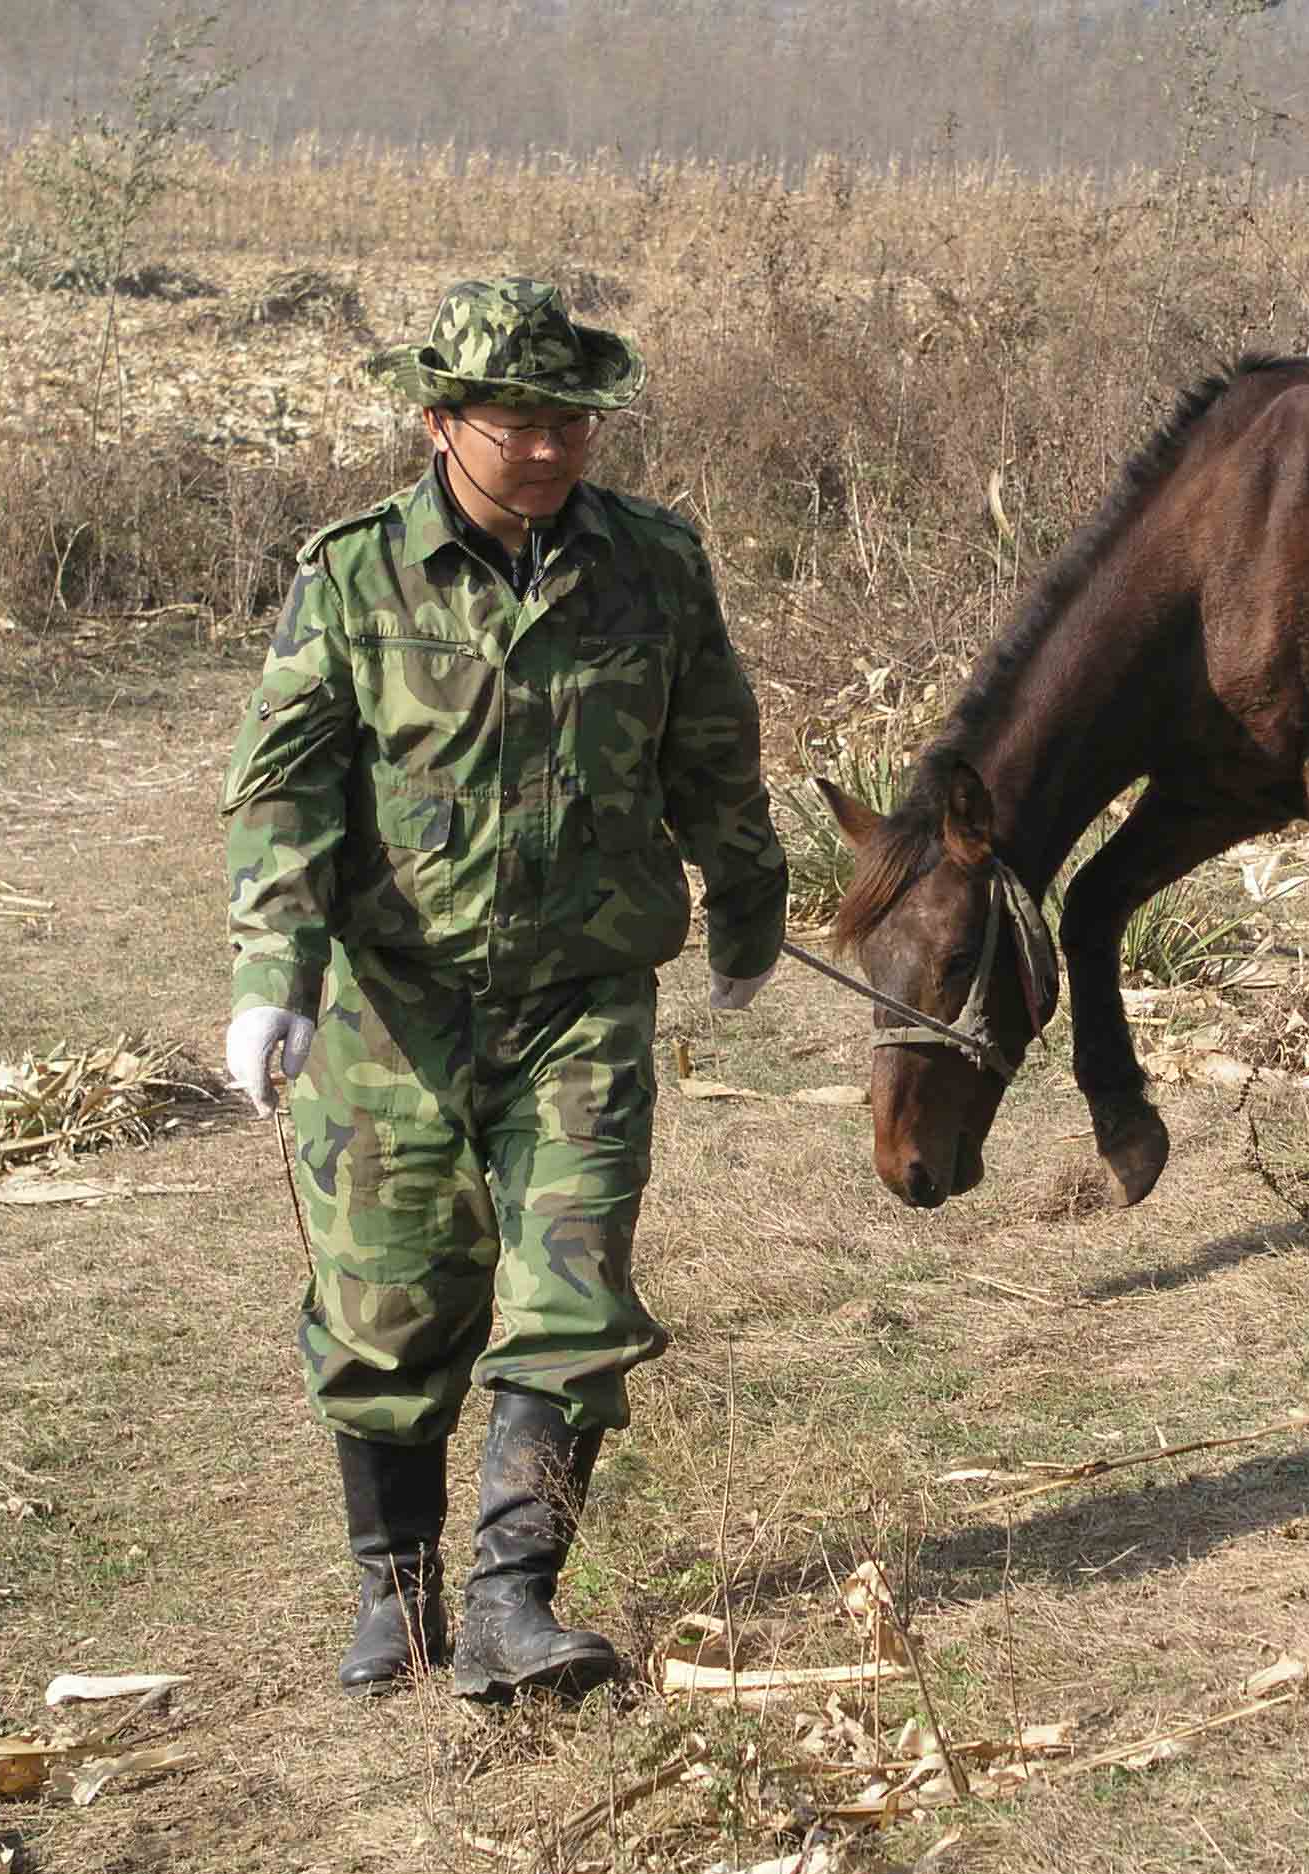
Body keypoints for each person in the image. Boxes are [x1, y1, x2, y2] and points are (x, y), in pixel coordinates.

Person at [220, 278, 786, 1704]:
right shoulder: (354, 575)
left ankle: (514, 1602)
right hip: (392, 1010)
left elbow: (714, 744)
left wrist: (747, 899)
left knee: (574, 1289)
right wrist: (271, 973)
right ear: (440, 421)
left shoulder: (653, 564)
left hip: (581, 998)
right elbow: (285, 785)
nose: (546, 449)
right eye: (514, 421)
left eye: (569, 422)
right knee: (388, 1304)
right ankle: (394, 1598)